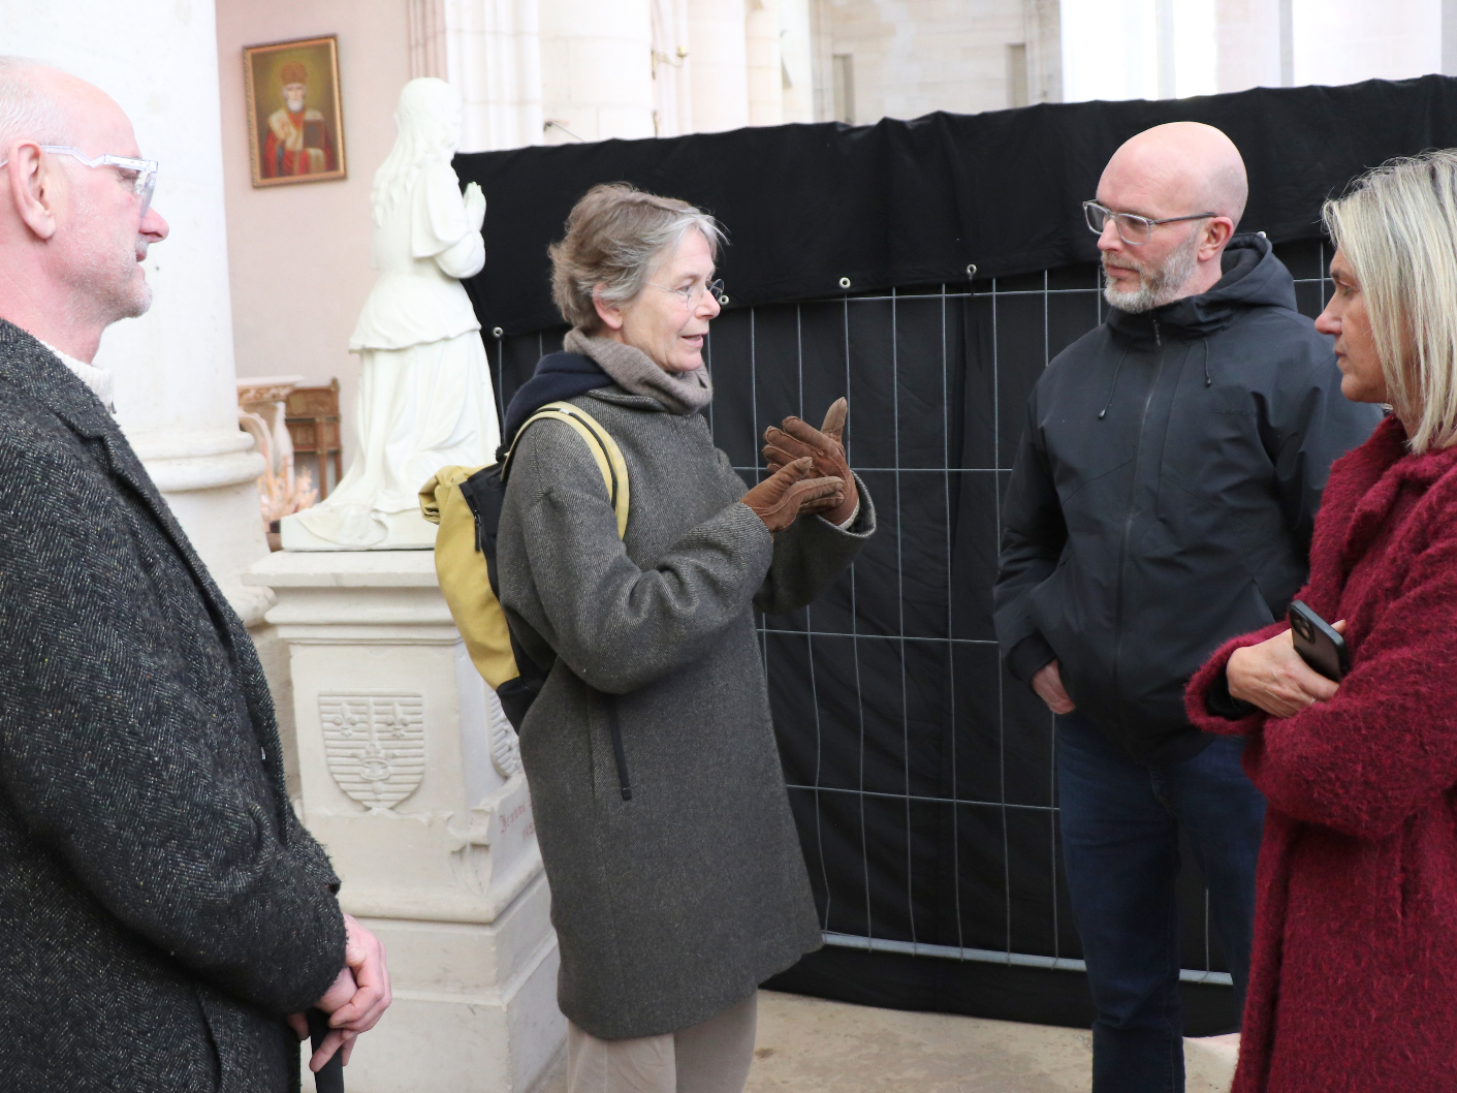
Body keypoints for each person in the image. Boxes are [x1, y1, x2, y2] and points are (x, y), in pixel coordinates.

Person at [0, 58, 389, 1090]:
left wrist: (309, 917)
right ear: (35, 186)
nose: (159, 220)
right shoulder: (14, 450)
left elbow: (191, 735)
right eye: (133, 180)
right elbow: (143, 807)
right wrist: (313, 951)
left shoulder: (39, 414)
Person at [993, 122, 1381, 1093]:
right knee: (1124, 998)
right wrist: (1032, 651)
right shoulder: (1068, 373)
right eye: (1101, 214)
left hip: (1243, 749)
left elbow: (1348, 568)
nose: (1104, 239)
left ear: (1212, 235)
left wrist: (1293, 702)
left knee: (1281, 998)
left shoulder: (1302, 366)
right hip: (1099, 742)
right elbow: (1023, 544)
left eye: (1134, 221)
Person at [495, 183, 875, 1093]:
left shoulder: (670, 414)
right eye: (687, 286)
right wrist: (749, 522)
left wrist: (827, 509)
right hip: (632, 833)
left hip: (715, 802)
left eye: (710, 285)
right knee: (630, 1057)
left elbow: (757, 584)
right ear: (609, 301)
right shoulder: (560, 443)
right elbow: (613, 638)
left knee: (717, 1058)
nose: (710, 307)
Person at [1184, 151, 1457, 1092]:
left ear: (1426, 299)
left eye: (1346, 290)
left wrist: (1267, 708)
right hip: (1351, 950)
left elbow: (1353, 768)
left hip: (1407, 988)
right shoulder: (1379, 472)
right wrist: (1238, 672)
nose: (1322, 320)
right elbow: (1314, 646)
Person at [284, 77, 496, 549]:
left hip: (391, 312)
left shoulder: (391, 176)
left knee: (392, 432)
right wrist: (473, 222)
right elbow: (459, 260)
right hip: (433, 320)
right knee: (438, 430)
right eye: (452, 118)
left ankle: (401, 493)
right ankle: (422, 499)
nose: (457, 128)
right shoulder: (435, 174)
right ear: (435, 122)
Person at [262, 60, 337, 178]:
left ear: (304, 92)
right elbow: (269, 157)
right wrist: (280, 146)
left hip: (311, 173)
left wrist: (308, 156)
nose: (295, 93)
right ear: (285, 93)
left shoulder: (314, 116)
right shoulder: (276, 119)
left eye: (298, 88)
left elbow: (328, 152)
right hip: (285, 177)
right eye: (290, 89)